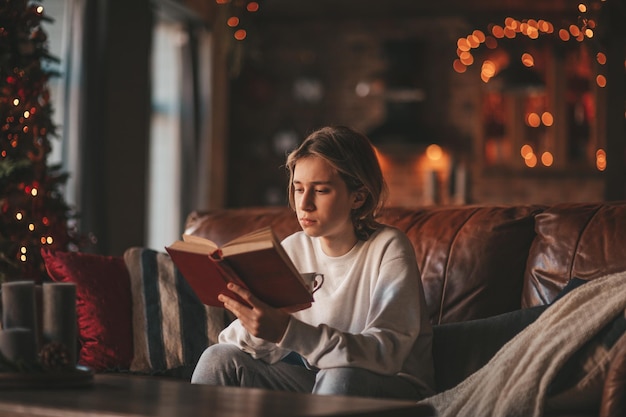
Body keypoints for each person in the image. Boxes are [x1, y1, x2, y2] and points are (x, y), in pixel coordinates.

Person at [191, 125, 435, 400]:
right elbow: (240, 344)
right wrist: (258, 323)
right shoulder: (294, 248)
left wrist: (287, 330)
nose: (304, 204)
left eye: (320, 191)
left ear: (358, 196)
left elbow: (386, 353)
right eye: (298, 189)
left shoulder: (389, 247)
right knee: (219, 358)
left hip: (394, 386)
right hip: (317, 379)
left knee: (341, 373)